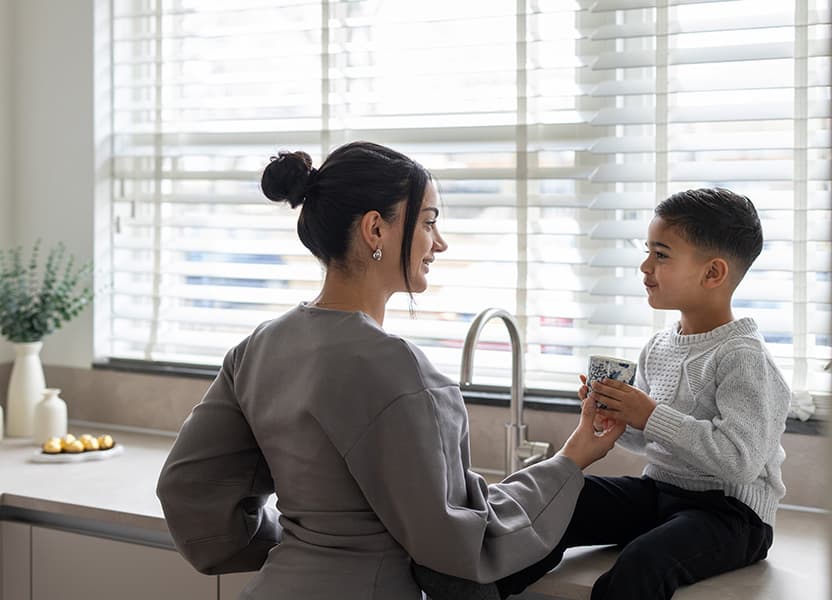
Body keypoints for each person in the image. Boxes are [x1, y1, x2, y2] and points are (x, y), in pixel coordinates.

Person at [155, 141, 626, 600]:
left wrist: (307, 545)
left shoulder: (258, 346)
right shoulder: (400, 370)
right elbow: (463, 540)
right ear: (375, 229)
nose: (439, 243)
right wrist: (572, 458)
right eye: (428, 222)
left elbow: (187, 489)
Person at [417, 187, 792, 600]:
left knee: (643, 563)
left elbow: (739, 461)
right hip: (662, 493)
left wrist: (649, 414)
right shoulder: (660, 345)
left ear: (713, 273)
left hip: (732, 514)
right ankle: (479, 589)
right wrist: (615, 416)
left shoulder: (744, 356)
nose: (645, 266)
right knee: (563, 501)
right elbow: (650, 440)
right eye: (647, 251)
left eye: (661, 255)